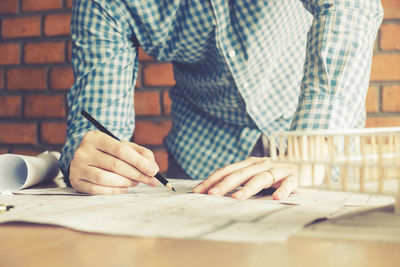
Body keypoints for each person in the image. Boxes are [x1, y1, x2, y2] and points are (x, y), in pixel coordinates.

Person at [59, 0, 383, 199]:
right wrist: (84, 156)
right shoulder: (104, 3)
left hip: (318, 148)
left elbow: (350, 6)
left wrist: (309, 149)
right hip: (202, 167)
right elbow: (97, 131)